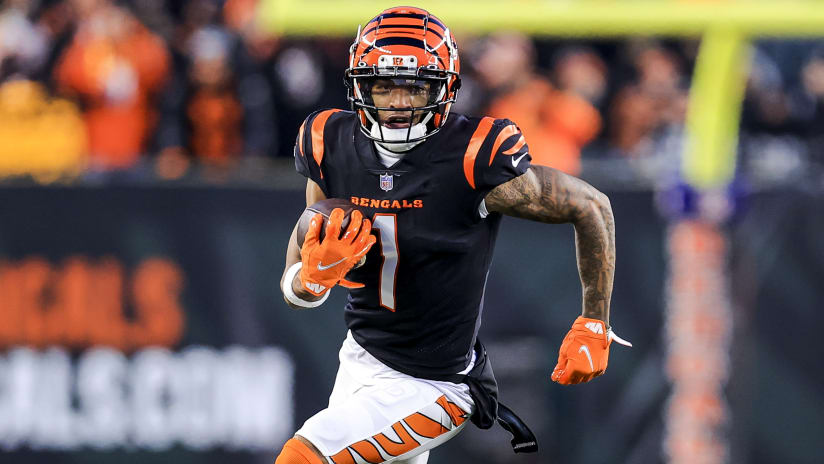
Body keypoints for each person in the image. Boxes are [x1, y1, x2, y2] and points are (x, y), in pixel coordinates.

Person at [276, 7, 630, 464]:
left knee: (303, 457)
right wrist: (309, 282)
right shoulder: (328, 141)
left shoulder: (473, 156)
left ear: (444, 88)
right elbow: (298, 268)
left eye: (416, 86)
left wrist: (594, 321)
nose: (399, 102)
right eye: (384, 85)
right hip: (359, 357)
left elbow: (591, 205)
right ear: (360, 85)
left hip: (435, 385)